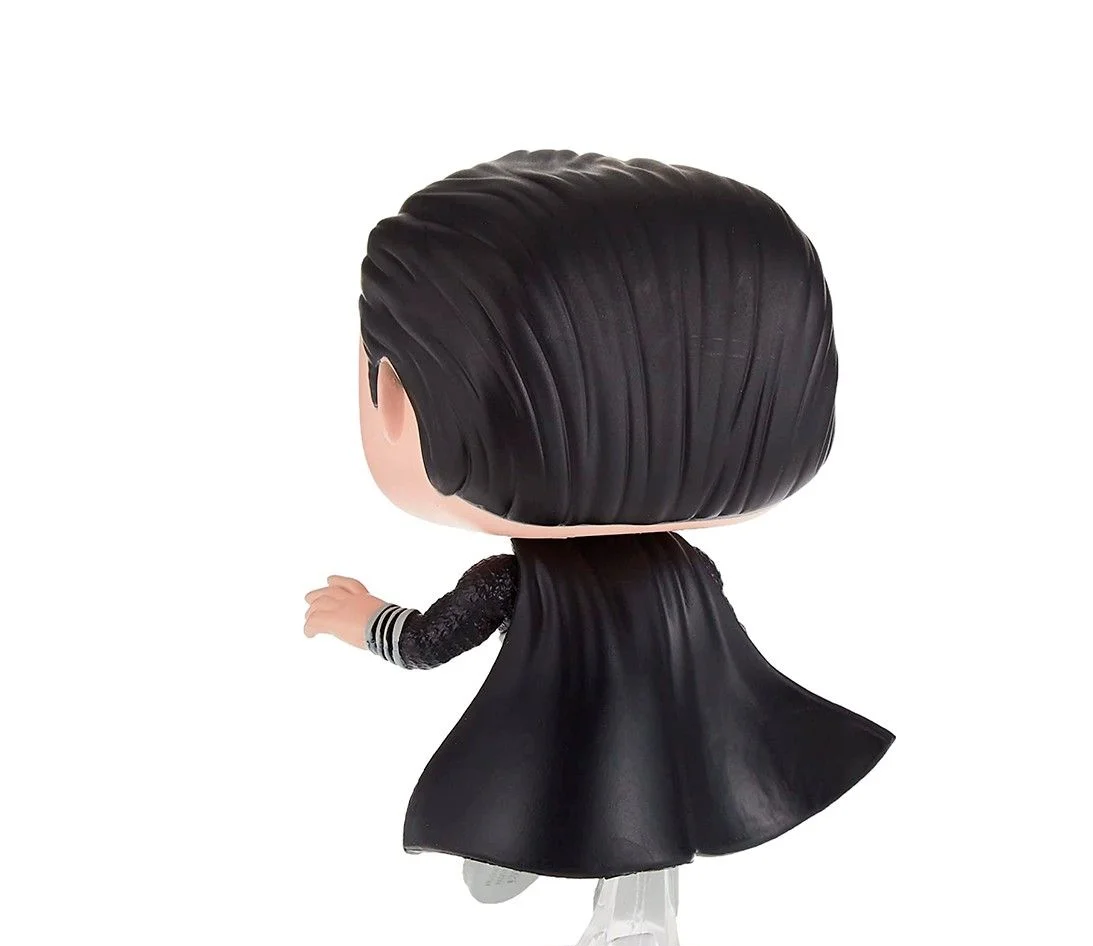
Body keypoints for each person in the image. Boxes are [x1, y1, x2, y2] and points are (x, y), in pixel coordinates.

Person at [304, 149, 894, 892]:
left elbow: (427, 644)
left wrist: (362, 619)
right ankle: (640, 920)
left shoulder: (508, 583)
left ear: (393, 395)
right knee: (645, 842)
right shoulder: (690, 573)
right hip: (685, 776)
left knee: (587, 841)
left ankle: (602, 901)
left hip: (559, 784)